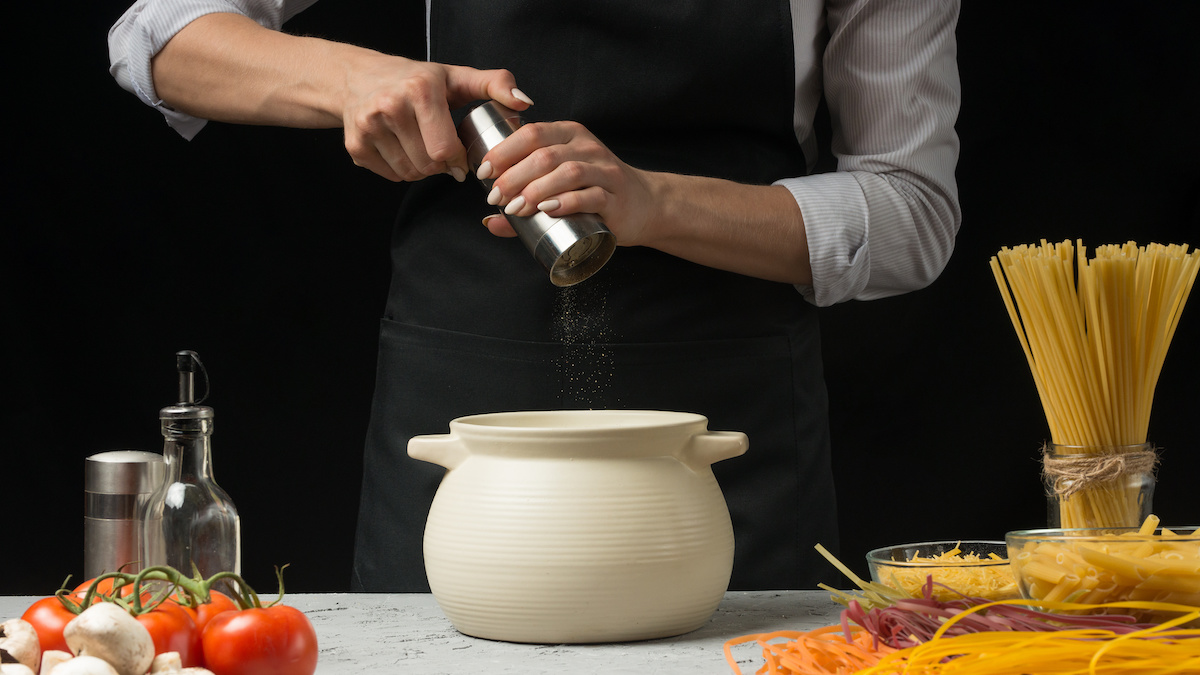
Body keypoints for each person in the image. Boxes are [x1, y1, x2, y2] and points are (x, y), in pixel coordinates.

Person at [109, 0, 962, 592]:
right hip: (466, 419)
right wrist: (355, 81)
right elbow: (158, 38)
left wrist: (654, 202)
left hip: (725, 438)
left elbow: (910, 205)